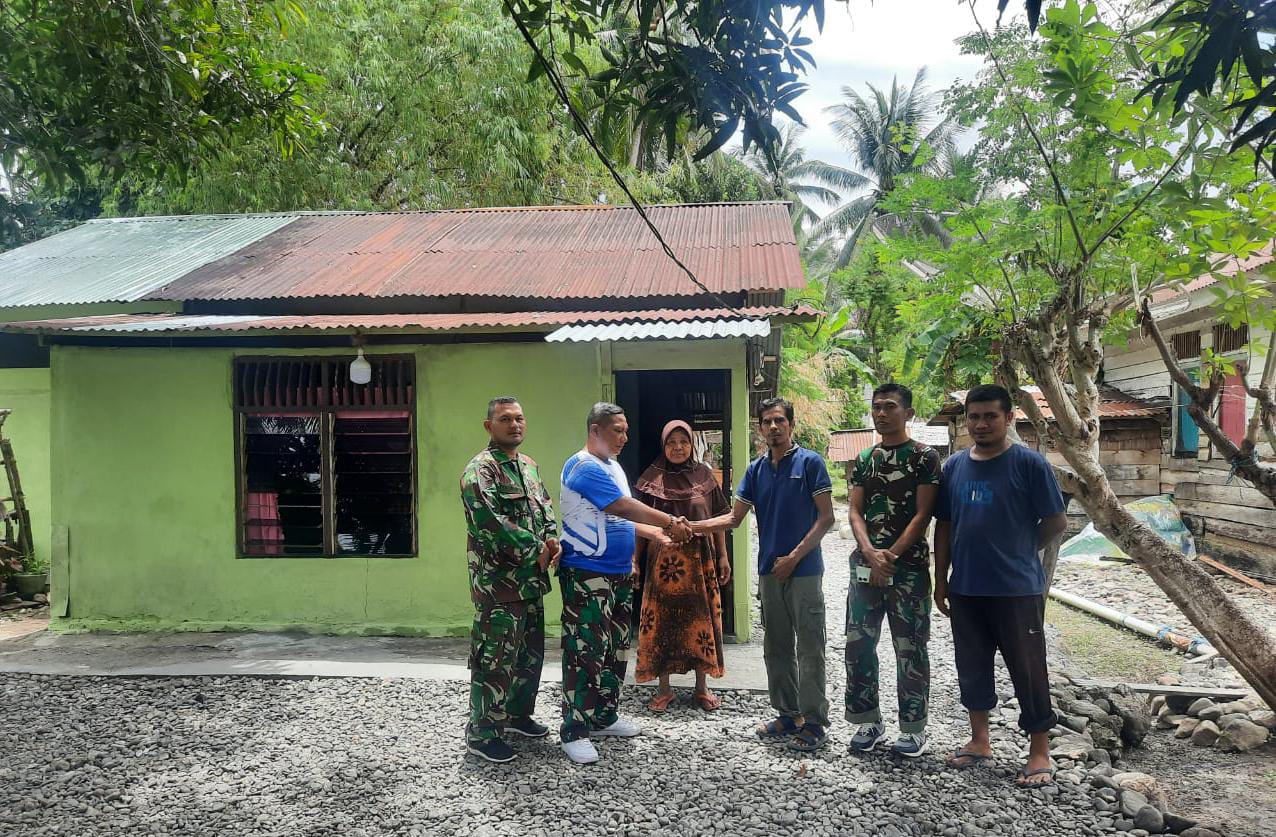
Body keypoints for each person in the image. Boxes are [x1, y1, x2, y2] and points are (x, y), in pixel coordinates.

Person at [934, 384, 1068, 786]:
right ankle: (980, 740)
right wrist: (940, 578)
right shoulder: (955, 467)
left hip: (1017, 589)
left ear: (1009, 418)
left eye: (990, 416)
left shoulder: (1029, 465)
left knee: (1028, 669)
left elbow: (1056, 521)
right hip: (967, 588)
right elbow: (945, 525)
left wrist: (1024, 550)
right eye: (974, 417)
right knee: (971, 667)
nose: (981, 424)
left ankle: (1039, 750)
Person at [692, 397, 835, 752]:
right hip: (770, 572)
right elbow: (732, 518)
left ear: (791, 424)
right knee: (776, 646)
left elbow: (827, 518)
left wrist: (795, 557)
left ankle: (815, 721)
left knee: (811, 648)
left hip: (804, 572)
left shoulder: (810, 463)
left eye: (779, 421)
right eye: (767, 422)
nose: (773, 427)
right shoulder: (756, 470)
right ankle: (789, 715)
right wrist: (691, 527)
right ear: (759, 429)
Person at [558, 402, 693, 765]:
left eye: (626, 430)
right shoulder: (583, 466)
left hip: (616, 574)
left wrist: (653, 534)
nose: (624, 437)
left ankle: (603, 716)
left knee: (615, 649)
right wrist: (668, 522)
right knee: (585, 652)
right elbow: (620, 507)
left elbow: (620, 519)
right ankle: (574, 729)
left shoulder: (613, 467)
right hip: (588, 573)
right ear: (595, 430)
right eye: (617, 430)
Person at [460, 396, 562, 763]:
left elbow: (545, 509)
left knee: (529, 653)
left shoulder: (530, 467)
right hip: (498, 584)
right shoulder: (480, 471)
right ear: (489, 426)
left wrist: (552, 539)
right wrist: (534, 547)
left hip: (531, 582)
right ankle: (482, 732)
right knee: (495, 657)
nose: (515, 425)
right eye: (505, 419)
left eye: (519, 418)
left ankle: (518, 715)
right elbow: (489, 522)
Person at [845, 383, 941, 758]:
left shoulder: (924, 458)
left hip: (908, 571)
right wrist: (870, 552)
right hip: (866, 569)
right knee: (859, 644)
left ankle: (914, 728)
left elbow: (924, 514)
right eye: (876, 407)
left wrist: (891, 557)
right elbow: (854, 510)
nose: (881, 413)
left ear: (909, 413)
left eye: (890, 406)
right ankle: (868, 720)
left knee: (911, 647)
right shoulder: (865, 458)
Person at [633, 420, 732, 712]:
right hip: (663, 566)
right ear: (663, 445)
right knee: (662, 624)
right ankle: (664, 690)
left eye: (683, 442)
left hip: (701, 564)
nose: (677, 447)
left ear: (692, 444)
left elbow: (719, 519)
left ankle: (702, 689)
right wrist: (634, 560)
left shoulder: (705, 476)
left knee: (701, 622)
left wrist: (723, 556)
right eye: (671, 442)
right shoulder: (651, 479)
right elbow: (639, 522)